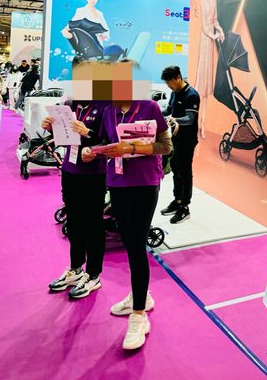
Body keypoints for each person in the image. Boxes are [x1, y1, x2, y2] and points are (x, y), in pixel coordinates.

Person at [81, 63, 172, 350]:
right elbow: (106, 143)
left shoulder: (149, 107)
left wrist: (132, 148)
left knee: (136, 244)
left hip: (145, 183)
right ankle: (140, 295)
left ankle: (139, 314)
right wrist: (93, 151)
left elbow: (166, 146)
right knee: (129, 241)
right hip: (117, 182)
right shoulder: (108, 111)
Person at [42, 65, 109, 300]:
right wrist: (51, 128)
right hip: (70, 169)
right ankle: (75, 268)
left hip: (94, 174)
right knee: (74, 221)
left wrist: (88, 132)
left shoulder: (105, 105)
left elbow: (110, 141)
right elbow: (64, 137)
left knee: (93, 225)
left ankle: (93, 274)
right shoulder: (71, 104)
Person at [160, 65, 200, 224]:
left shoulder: (192, 95)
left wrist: (174, 120)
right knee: (175, 168)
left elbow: (189, 119)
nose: (168, 85)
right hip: (176, 138)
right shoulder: (174, 93)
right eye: (166, 83)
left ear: (178, 77)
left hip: (187, 140)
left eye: (170, 82)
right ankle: (177, 200)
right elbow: (168, 111)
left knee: (184, 171)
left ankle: (185, 206)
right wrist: (154, 110)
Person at [194, 0, 224, 140]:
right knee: (201, 86)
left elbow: (215, 20)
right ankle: (197, 123)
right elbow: (203, 24)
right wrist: (212, 34)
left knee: (206, 89)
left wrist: (220, 30)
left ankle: (203, 124)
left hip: (211, 39)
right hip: (205, 40)